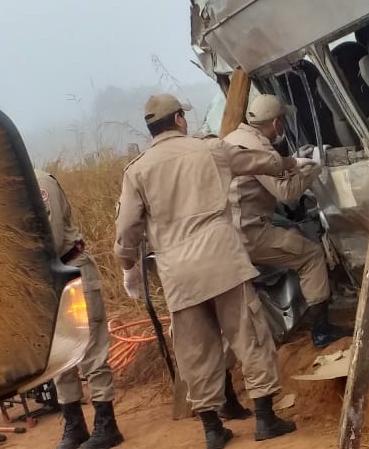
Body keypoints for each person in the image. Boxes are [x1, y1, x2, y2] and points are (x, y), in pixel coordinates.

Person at [114, 94, 313, 449]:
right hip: (222, 262)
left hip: (178, 274)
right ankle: (266, 419)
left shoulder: (137, 170)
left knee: (195, 350)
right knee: (248, 336)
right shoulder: (208, 149)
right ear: (177, 119)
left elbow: (127, 228)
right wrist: (291, 161)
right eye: (183, 116)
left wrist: (128, 265)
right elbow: (256, 161)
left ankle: (211, 429)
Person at [223, 94, 352, 348]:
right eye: (282, 122)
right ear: (275, 123)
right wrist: (313, 168)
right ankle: (322, 330)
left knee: (292, 231)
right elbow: (286, 192)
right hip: (249, 233)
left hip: (227, 232)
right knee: (311, 255)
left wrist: (292, 161)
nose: (282, 127)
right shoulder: (259, 147)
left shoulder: (233, 138)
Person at [34, 170, 124, 449]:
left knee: (91, 350)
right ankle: (74, 424)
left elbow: (55, 238)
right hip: (41, 280)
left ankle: (106, 424)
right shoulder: (2, 190)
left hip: (70, 271)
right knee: (57, 355)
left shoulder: (37, 183)